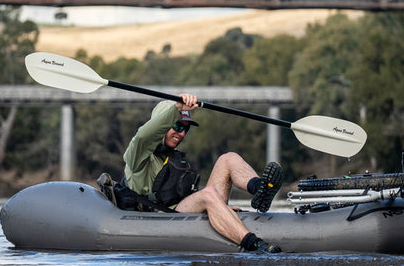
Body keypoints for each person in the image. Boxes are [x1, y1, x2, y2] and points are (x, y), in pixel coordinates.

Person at [120, 94, 284, 253]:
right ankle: (254, 244)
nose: (181, 133)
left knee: (228, 159)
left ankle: (260, 189)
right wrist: (177, 108)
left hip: (180, 212)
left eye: (186, 128)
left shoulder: (171, 156)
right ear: (162, 124)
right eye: (177, 126)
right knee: (208, 194)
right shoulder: (138, 156)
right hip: (161, 220)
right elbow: (143, 136)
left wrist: (221, 208)